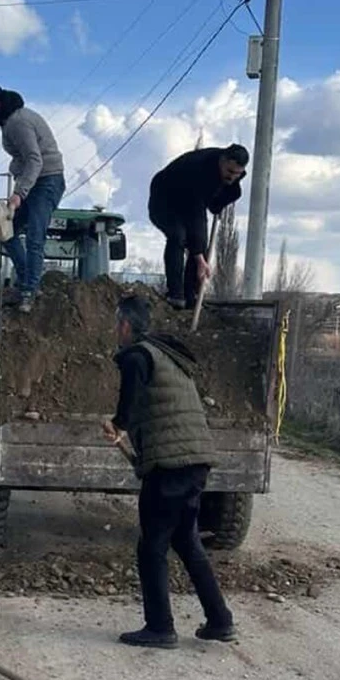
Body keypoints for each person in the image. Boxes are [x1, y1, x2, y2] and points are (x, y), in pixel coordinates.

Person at [101, 295, 236, 648]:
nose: (115, 330)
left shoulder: (137, 356)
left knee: (152, 546)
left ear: (125, 325)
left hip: (170, 466)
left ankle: (160, 628)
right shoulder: (167, 355)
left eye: (117, 323)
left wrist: (118, 424)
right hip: (195, 460)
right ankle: (220, 620)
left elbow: (129, 401)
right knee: (187, 542)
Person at [0, 81, 66, 312]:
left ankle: (29, 292)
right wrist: (16, 170)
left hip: (48, 180)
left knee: (35, 235)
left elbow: (35, 159)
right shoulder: (9, 124)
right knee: (7, 231)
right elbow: (22, 157)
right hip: (35, 181)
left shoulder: (18, 122)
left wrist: (18, 194)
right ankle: (27, 281)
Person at [148, 143, 249, 310]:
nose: (232, 177)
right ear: (222, 161)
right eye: (229, 171)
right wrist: (199, 257)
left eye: (237, 174)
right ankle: (175, 295)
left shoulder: (231, 181)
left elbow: (214, 204)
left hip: (190, 202)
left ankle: (191, 296)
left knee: (200, 245)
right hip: (164, 198)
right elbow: (195, 215)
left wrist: (219, 204)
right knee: (178, 236)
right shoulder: (199, 168)